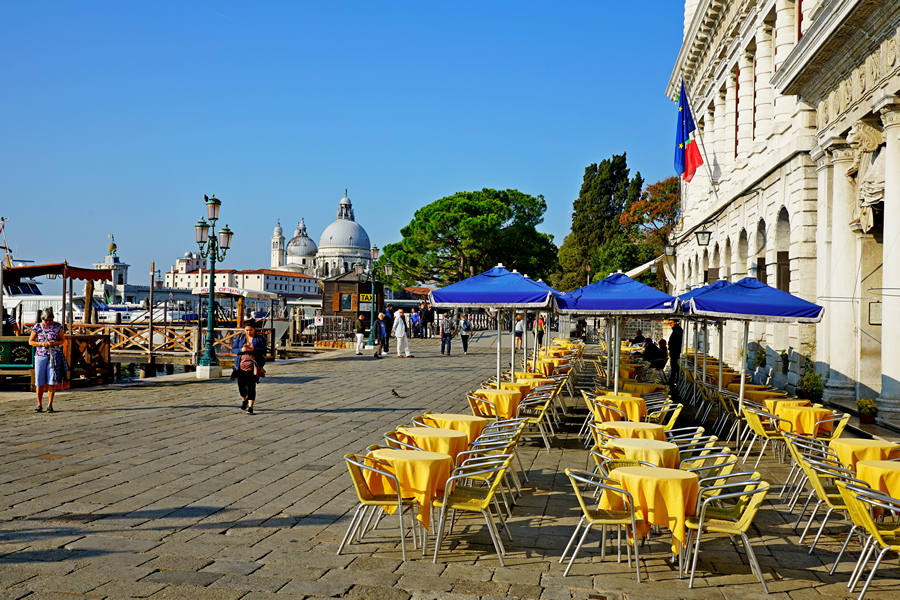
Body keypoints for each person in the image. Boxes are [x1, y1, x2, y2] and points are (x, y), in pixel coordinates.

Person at [28, 308, 66, 413]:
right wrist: (41, 344)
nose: (48, 322)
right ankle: (39, 404)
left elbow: (63, 340)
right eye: (46, 320)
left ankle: (50, 404)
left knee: (52, 381)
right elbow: (30, 342)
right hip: (40, 355)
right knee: (39, 381)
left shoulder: (58, 326)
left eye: (50, 319)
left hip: (53, 355)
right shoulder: (37, 327)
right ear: (42, 319)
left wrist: (55, 343)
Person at [231, 320, 267, 415]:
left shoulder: (259, 338)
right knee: (241, 386)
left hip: (253, 365)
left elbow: (264, 350)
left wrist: (254, 349)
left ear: (254, 330)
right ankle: (244, 400)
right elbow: (234, 350)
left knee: (251, 386)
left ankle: (250, 407)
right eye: (246, 330)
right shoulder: (240, 337)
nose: (248, 332)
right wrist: (241, 349)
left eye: (250, 330)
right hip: (240, 365)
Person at [667, 319, 684, 388]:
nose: (669, 324)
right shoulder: (676, 330)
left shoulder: (678, 330)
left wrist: (672, 347)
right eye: (669, 323)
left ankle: (674, 381)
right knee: (674, 367)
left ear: (675, 322)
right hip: (674, 351)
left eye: (671, 323)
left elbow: (676, 342)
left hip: (675, 351)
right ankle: (673, 380)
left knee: (675, 367)